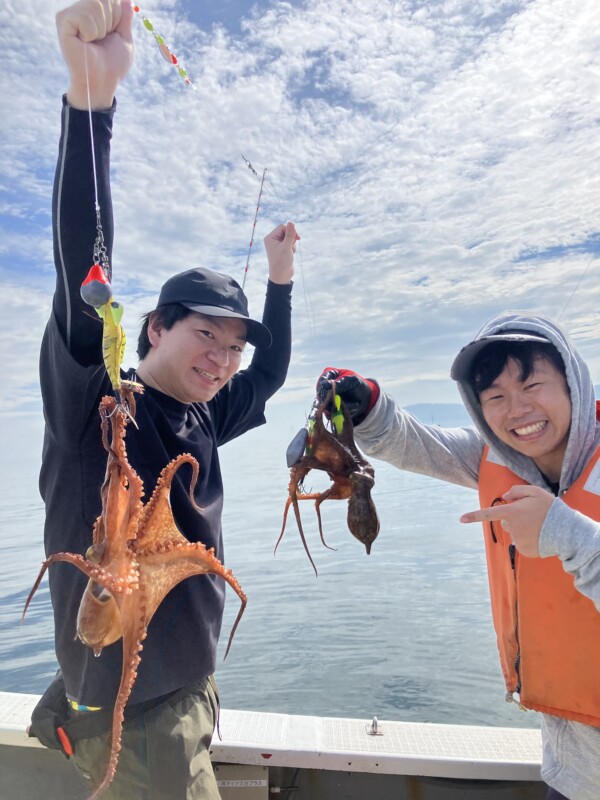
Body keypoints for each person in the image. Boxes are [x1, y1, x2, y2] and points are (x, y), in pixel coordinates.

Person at [30, 1, 298, 797]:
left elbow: (273, 369)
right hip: (137, 721)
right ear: (153, 328)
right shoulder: (98, 402)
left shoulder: (203, 413)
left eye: (230, 347)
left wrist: (280, 279)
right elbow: (84, 271)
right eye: (203, 338)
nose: (221, 359)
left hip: (184, 694)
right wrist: (93, 103)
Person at [318, 312, 600, 800]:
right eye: (494, 397)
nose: (517, 410)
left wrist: (561, 530)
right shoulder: (499, 457)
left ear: (573, 384)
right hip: (573, 768)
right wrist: (366, 406)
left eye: (532, 385)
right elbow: (417, 444)